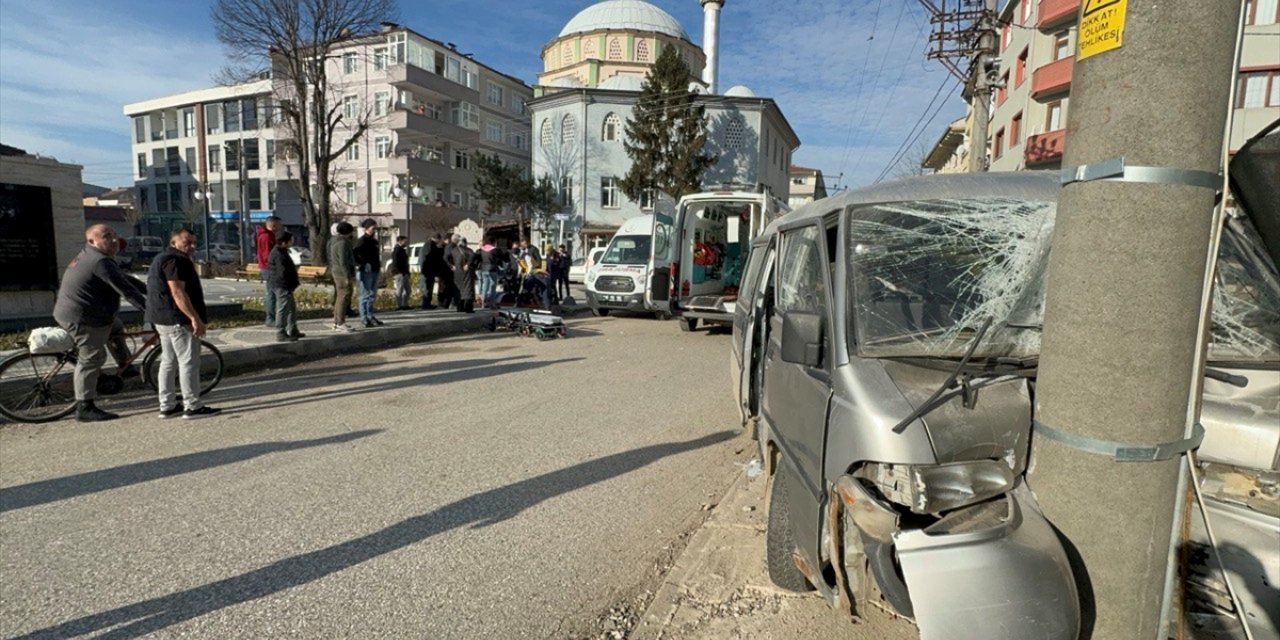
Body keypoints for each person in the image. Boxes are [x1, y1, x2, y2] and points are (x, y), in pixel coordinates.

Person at [53, 225, 149, 421]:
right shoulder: (99, 261)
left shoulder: (92, 255)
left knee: (116, 327)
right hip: (83, 318)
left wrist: (150, 290)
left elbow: (123, 278)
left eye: (114, 235)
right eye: (107, 237)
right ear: (92, 241)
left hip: (81, 313)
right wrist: (152, 310)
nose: (113, 240)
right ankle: (84, 407)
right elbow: (126, 290)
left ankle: (125, 364)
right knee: (92, 358)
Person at [146, 229, 221, 419]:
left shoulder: (162, 258)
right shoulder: (175, 260)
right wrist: (194, 318)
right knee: (188, 362)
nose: (192, 246)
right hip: (178, 319)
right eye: (187, 242)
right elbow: (178, 292)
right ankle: (192, 405)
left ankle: (167, 405)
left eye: (195, 242)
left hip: (162, 318)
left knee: (168, 362)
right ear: (173, 242)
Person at [268, 232, 303, 342]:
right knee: (283, 308)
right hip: (282, 285)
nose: (292, 243)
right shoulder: (278, 254)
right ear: (284, 242)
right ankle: (281, 332)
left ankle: (292, 329)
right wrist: (289, 284)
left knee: (291, 308)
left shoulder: (282, 251)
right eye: (290, 240)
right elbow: (282, 272)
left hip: (284, 284)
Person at [352, 218, 384, 328]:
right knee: (365, 295)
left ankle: (370, 315)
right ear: (367, 228)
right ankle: (363, 317)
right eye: (372, 228)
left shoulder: (374, 241)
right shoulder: (362, 241)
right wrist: (362, 263)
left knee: (372, 295)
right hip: (366, 271)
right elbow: (354, 254)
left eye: (375, 228)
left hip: (375, 269)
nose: (374, 230)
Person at [327, 222, 357, 331]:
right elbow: (343, 261)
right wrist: (347, 276)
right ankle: (340, 321)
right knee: (343, 297)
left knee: (341, 297)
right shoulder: (342, 243)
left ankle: (337, 321)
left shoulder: (335, 241)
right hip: (341, 274)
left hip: (337, 272)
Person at [256, 216, 282, 327]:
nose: (280, 227)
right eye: (279, 225)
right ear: (273, 225)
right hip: (269, 268)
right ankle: (270, 318)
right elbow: (268, 255)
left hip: (267, 267)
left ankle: (271, 317)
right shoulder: (267, 237)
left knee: (272, 293)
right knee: (272, 293)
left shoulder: (268, 235)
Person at [418, 234, 444, 310]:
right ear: (437, 239)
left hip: (428, 271)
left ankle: (427, 303)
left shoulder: (428, 245)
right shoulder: (430, 246)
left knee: (429, 287)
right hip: (428, 271)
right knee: (428, 288)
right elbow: (431, 258)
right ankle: (426, 304)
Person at [476, 237, 500, 308]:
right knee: (492, 286)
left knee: (484, 286)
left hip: (483, 269)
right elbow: (500, 257)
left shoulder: (482, 250)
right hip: (492, 270)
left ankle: (483, 303)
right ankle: (492, 303)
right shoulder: (494, 250)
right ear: (493, 242)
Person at [391, 235, 411, 311]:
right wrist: (401, 272)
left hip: (404, 273)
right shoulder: (397, 250)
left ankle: (404, 304)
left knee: (408, 290)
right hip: (399, 273)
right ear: (400, 241)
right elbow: (396, 263)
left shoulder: (402, 250)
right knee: (399, 289)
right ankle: (399, 305)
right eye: (405, 241)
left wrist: (407, 272)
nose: (406, 243)